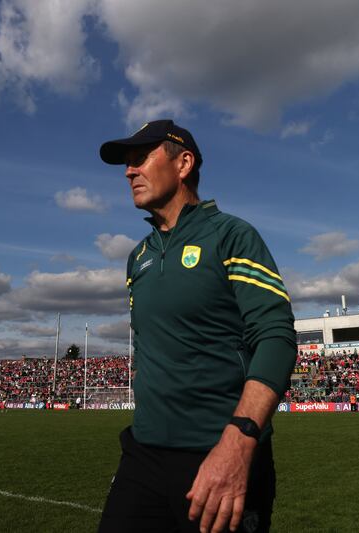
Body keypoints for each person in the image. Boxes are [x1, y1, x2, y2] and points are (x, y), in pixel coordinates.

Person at [97, 120, 296, 533]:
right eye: (126, 164)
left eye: (140, 159)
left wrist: (240, 441)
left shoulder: (232, 236)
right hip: (143, 455)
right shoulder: (138, 258)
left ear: (183, 162)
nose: (128, 171)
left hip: (219, 449)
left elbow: (275, 336)